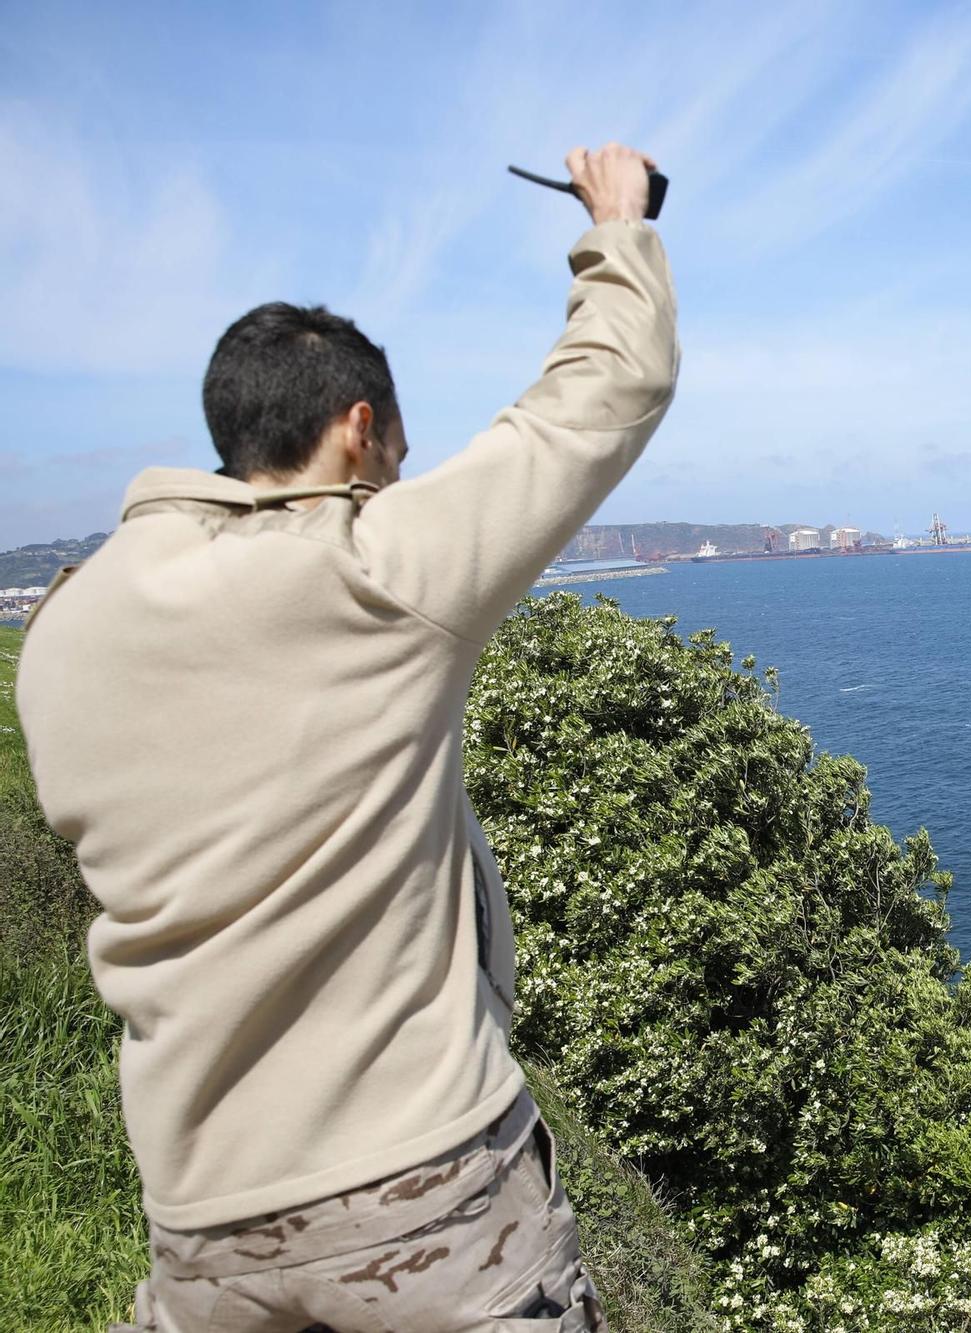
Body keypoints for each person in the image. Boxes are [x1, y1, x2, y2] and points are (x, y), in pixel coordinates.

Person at [17, 142, 677, 1332]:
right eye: (392, 463)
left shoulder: (62, 629)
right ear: (358, 430)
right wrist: (616, 226)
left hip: (200, 1221)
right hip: (424, 1198)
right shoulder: (368, 569)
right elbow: (602, 394)